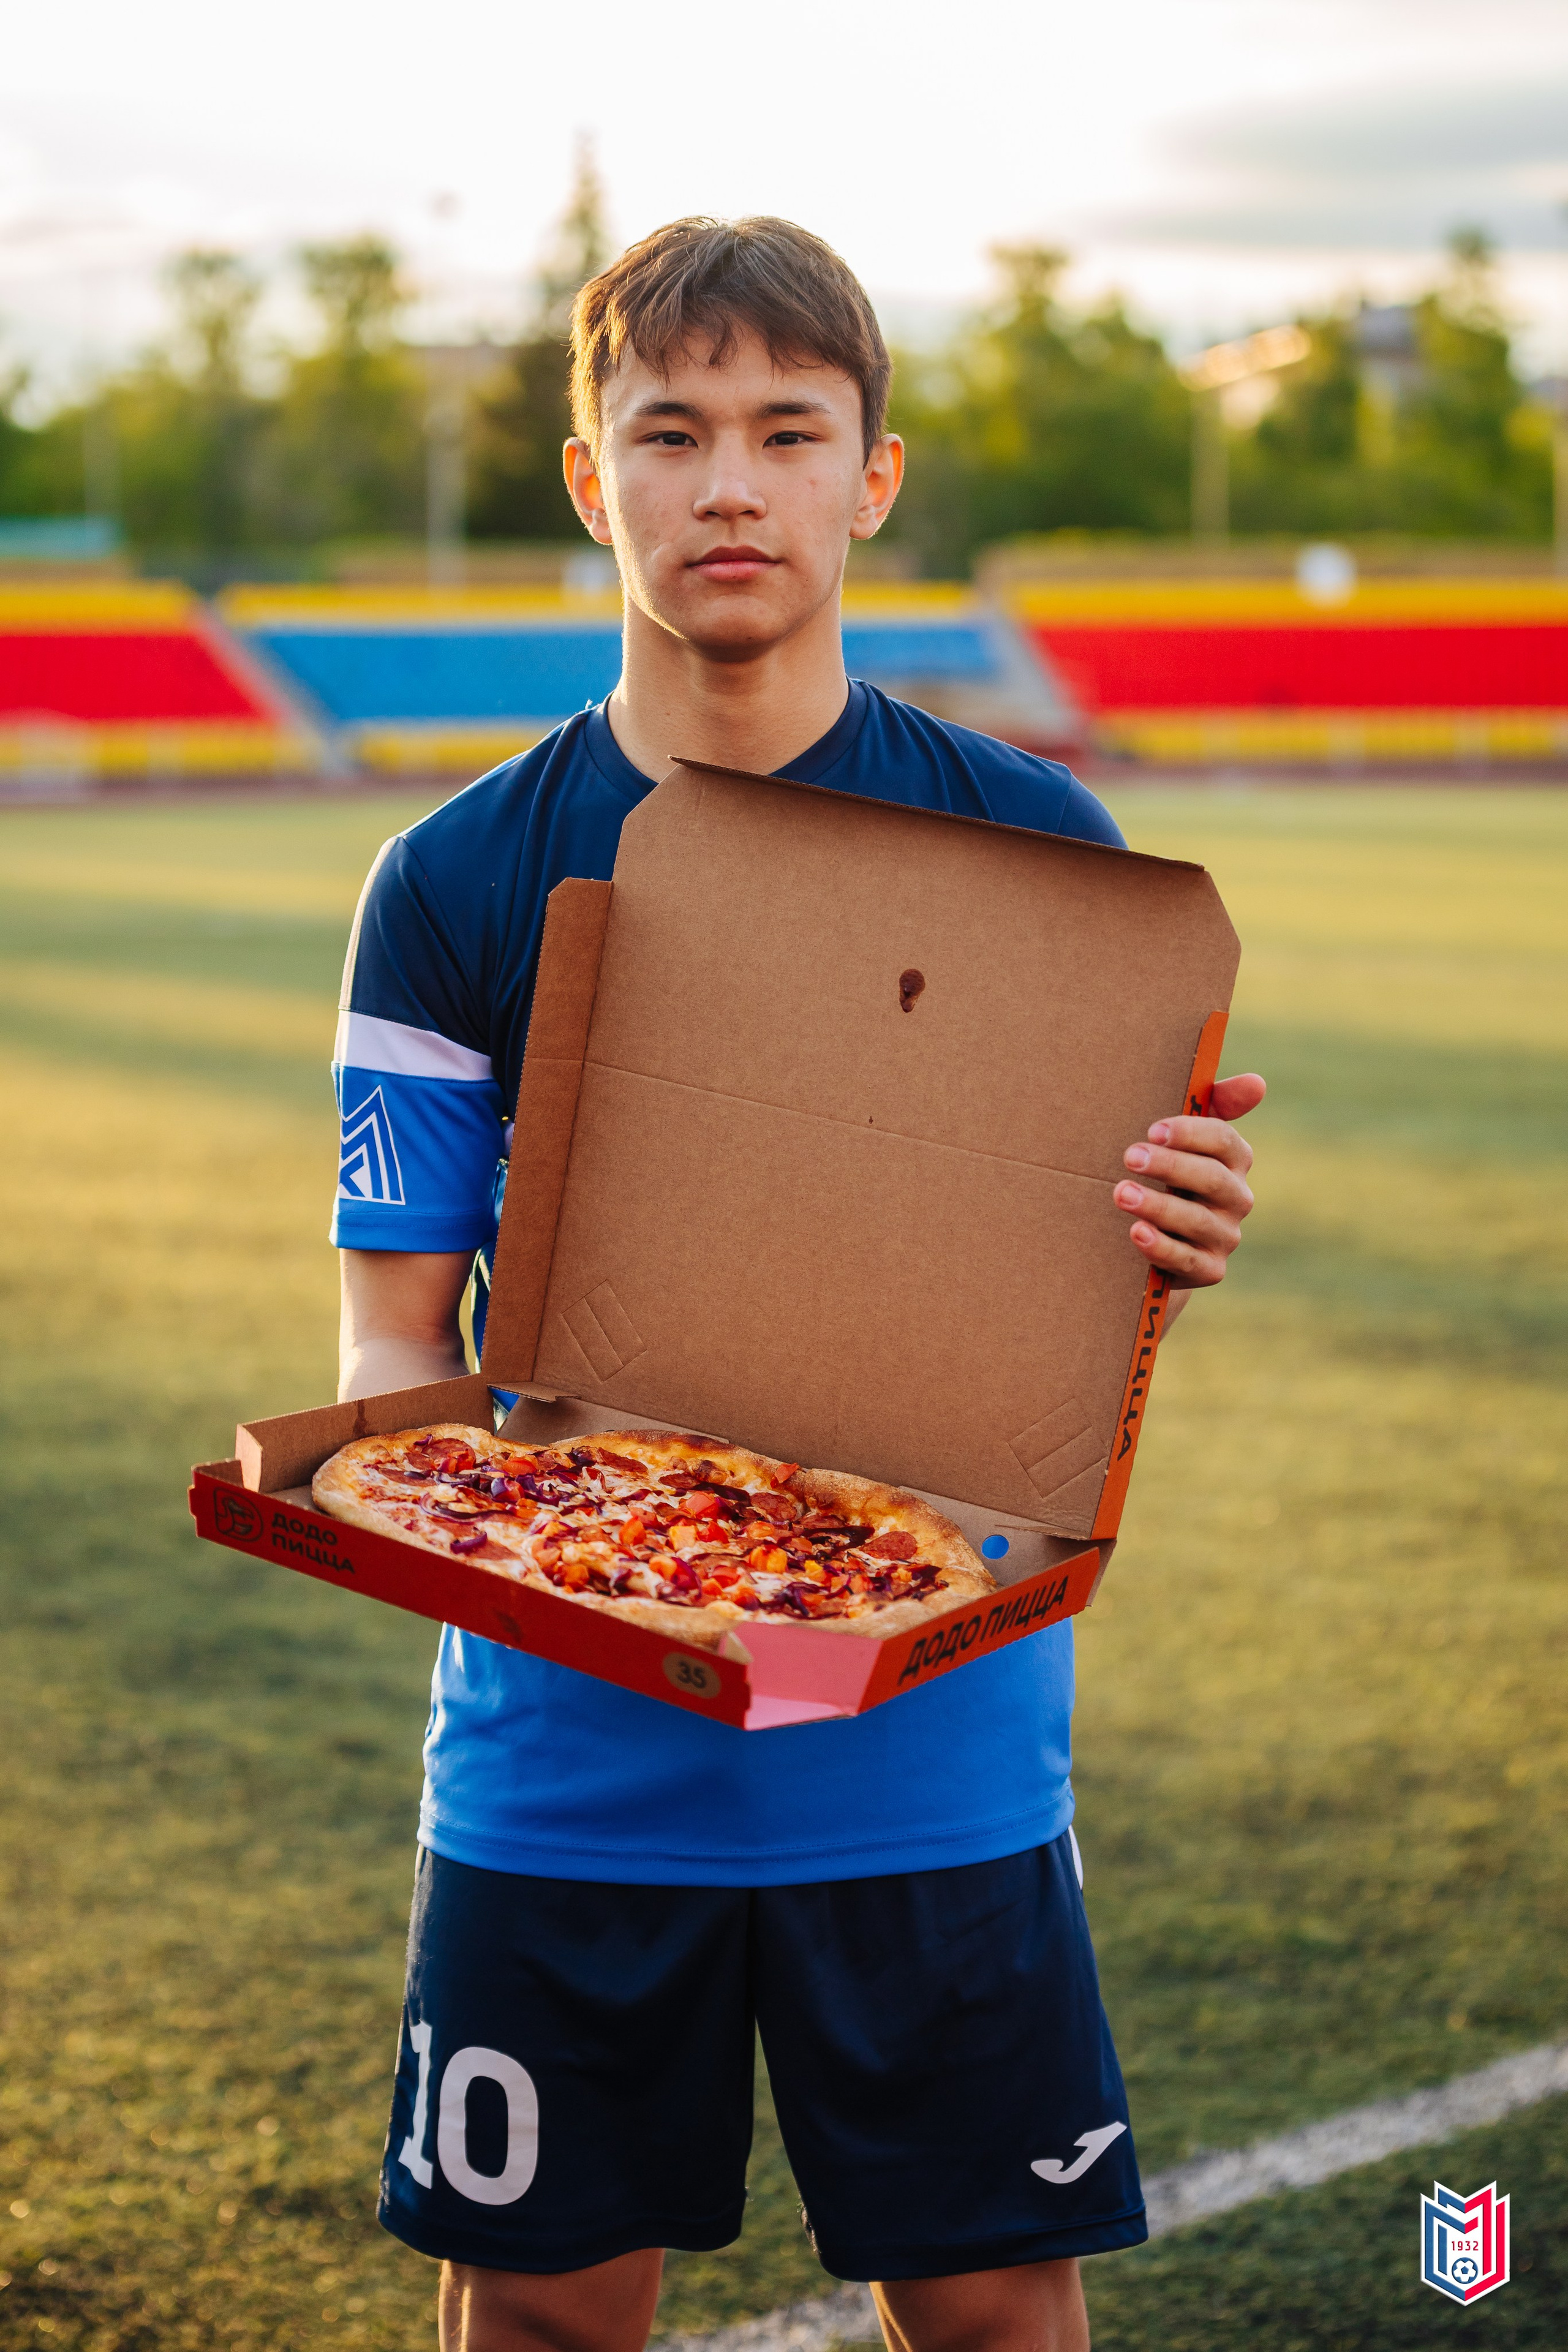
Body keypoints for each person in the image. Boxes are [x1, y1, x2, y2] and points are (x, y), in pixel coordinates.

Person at [331, 216, 1264, 2352]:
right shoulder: (456, 877)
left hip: (928, 1747)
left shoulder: (1045, 850)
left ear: (874, 478)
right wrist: (578, 1557)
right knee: (552, 2313)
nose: (727, 483)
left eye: (784, 430)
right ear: (595, 482)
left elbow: (1053, 1343)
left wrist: (1160, 1266)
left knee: (994, 2314)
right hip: (567, 1761)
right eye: (669, 432)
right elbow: (393, 1349)